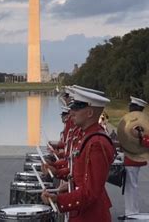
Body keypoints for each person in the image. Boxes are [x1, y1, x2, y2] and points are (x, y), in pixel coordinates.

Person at [41, 87, 116, 222]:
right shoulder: (88, 137)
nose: (71, 112)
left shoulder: (96, 143)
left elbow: (91, 192)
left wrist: (59, 200)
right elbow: (79, 173)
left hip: (90, 215)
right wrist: (66, 181)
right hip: (82, 211)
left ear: (90, 113)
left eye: (77, 108)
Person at [122, 96, 148, 216]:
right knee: (131, 186)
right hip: (131, 157)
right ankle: (131, 210)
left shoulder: (136, 122)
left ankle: (132, 211)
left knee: (131, 186)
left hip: (133, 157)